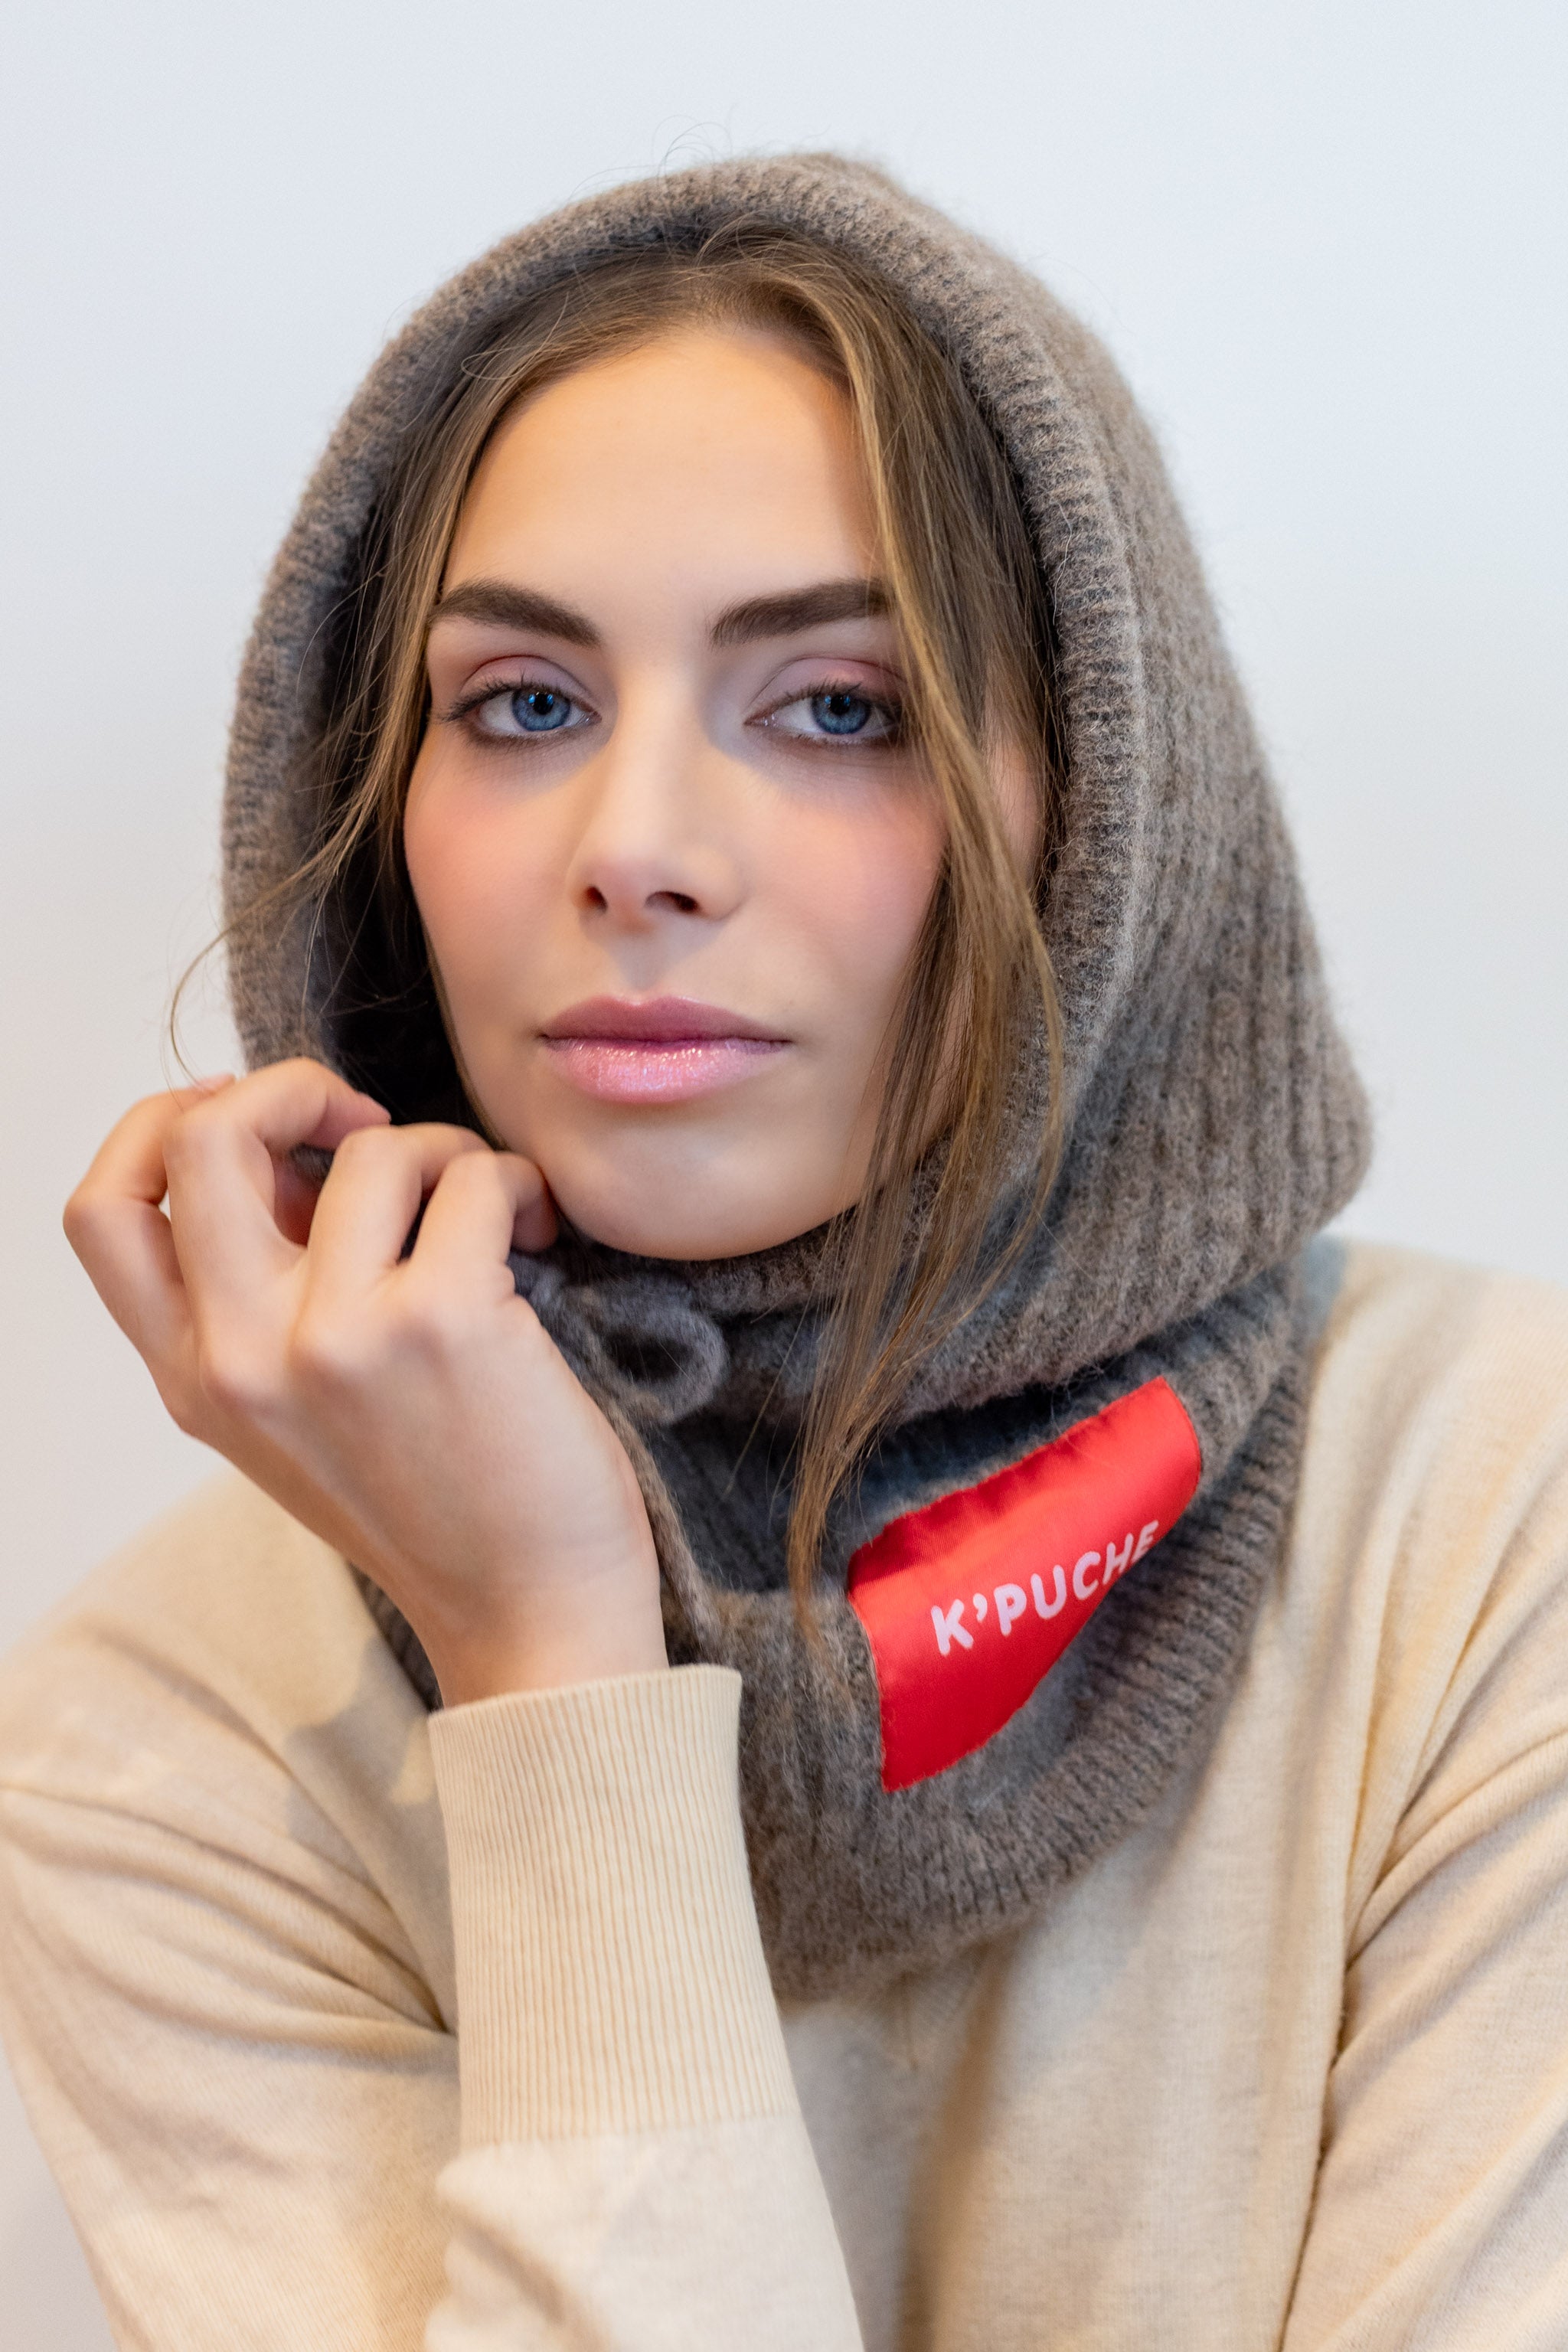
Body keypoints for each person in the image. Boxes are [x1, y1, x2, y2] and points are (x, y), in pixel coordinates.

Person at [2, 152, 1566, 2352]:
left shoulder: (1497, 1518)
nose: (638, 850)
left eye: (841, 707)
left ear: (1110, 802)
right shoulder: (170, 1739)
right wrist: (552, 1668)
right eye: (521, 705)